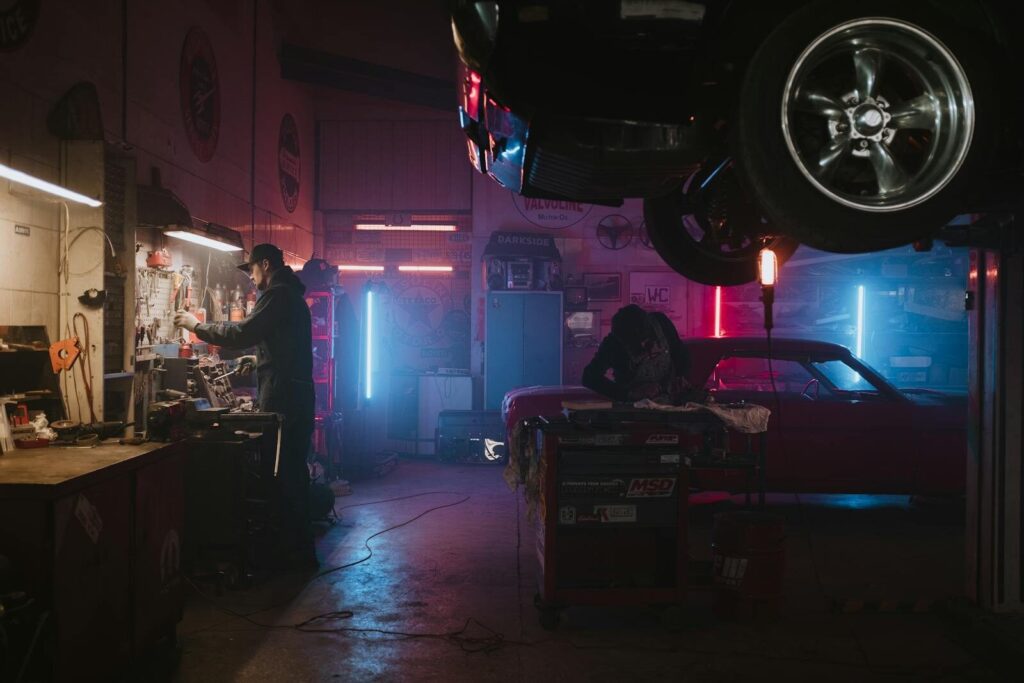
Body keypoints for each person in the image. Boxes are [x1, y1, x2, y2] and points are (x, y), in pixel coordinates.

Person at [174, 243, 316, 569]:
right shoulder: (290, 296)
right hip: (294, 398)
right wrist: (259, 359)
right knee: (293, 477)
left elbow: (242, 332)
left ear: (265, 264)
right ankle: (297, 555)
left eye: (252, 270)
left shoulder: (277, 295)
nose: (252, 279)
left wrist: (196, 325)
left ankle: (290, 560)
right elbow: (284, 347)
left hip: (284, 404)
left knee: (283, 480)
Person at [582, 304, 675, 402]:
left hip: (672, 401)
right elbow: (589, 377)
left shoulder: (661, 323)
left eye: (649, 343)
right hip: (634, 407)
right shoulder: (612, 344)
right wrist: (628, 394)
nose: (650, 353)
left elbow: (681, 353)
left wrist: (680, 377)